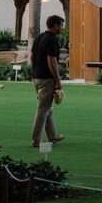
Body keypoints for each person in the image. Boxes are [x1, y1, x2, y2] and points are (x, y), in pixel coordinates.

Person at [31, 15, 66, 148]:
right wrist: (58, 80)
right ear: (55, 26)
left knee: (47, 107)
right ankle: (36, 139)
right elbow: (52, 61)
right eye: (61, 25)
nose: (62, 28)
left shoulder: (39, 37)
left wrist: (35, 71)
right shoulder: (52, 39)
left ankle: (53, 136)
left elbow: (32, 56)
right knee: (43, 109)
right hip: (47, 78)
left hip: (37, 77)